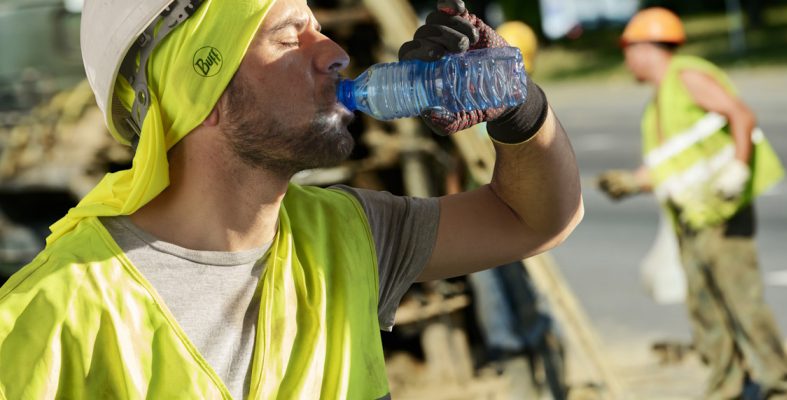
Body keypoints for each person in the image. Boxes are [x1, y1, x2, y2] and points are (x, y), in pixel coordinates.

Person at [0, 0, 582, 398]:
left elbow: (535, 217)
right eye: (288, 35)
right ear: (205, 94)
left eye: (318, 27)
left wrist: (517, 105)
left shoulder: (348, 236)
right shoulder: (49, 316)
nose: (334, 53)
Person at [597, 7, 787, 400]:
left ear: (647, 48)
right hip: (692, 217)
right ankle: (726, 388)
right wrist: (633, 181)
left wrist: (738, 168)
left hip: (722, 212)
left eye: (629, 49)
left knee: (744, 305)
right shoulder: (657, 102)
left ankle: (783, 389)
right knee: (706, 310)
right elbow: (675, 162)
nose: (626, 58)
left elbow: (741, 115)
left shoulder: (686, 75)